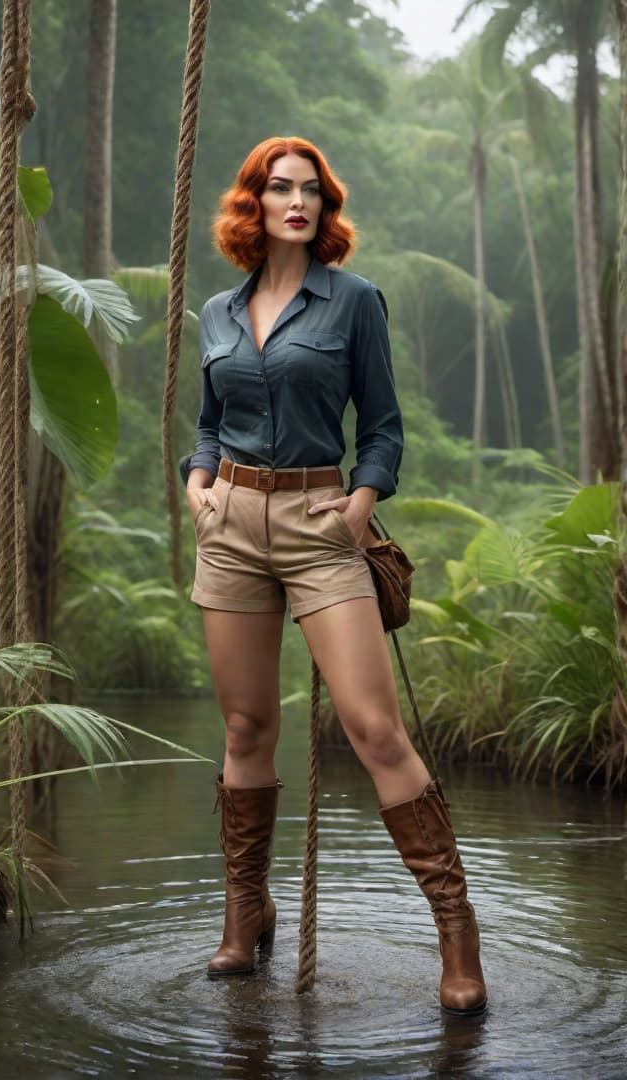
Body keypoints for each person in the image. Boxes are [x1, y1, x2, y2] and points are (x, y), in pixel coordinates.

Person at [183, 136, 487, 1015]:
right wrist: (199, 483)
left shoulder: (352, 302)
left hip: (322, 529)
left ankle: (455, 927)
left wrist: (358, 508)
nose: (298, 202)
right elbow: (209, 422)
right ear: (255, 202)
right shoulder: (217, 310)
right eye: (280, 188)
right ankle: (247, 913)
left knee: (375, 730)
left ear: (325, 205)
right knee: (245, 727)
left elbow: (383, 428)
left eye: (311, 190)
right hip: (232, 526)